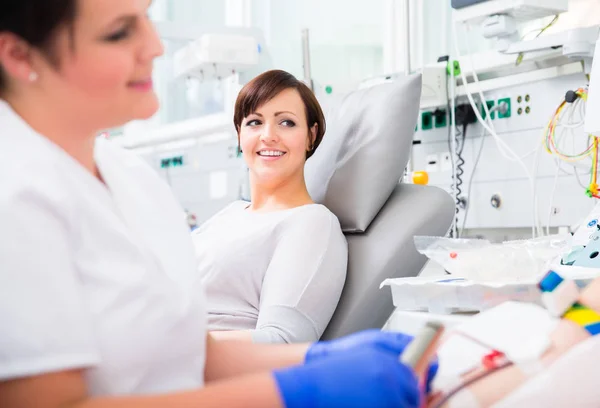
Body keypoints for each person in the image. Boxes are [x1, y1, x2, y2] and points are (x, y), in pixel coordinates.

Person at [0, 1, 436, 407]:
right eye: (119, 33)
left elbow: (189, 353)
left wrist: (314, 362)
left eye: (148, 17)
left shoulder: (133, 180)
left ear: (312, 137)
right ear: (20, 57)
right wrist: (292, 388)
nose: (154, 46)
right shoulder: (17, 195)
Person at [192, 69, 348, 344]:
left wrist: (168, 347)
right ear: (239, 134)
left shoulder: (310, 223)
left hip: (185, 368)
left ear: (311, 136)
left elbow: (283, 341)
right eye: (254, 122)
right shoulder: (228, 215)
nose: (268, 136)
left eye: (286, 123)